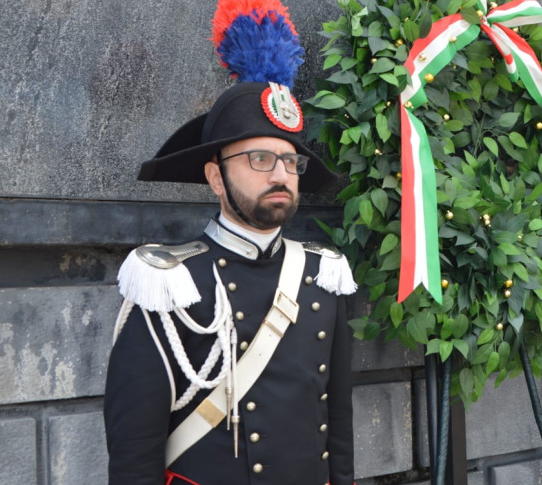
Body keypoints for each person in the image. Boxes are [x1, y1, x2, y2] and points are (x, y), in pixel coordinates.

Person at [103, 1, 356, 484]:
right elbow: (135, 453)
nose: (281, 173)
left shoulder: (322, 276)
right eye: (259, 159)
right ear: (216, 178)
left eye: (290, 161)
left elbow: (337, 429)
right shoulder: (169, 284)